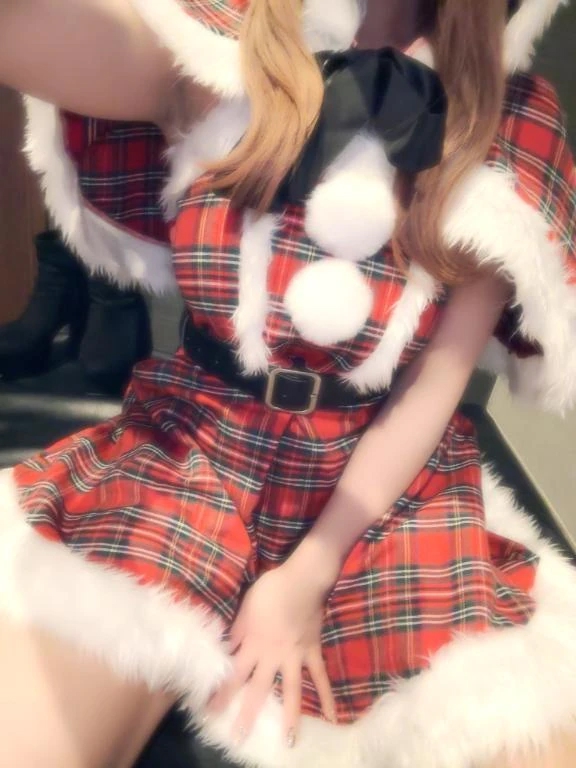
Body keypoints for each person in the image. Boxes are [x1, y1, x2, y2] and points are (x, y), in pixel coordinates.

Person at [0, 1, 574, 766]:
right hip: (190, 451)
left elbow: (432, 387)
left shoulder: (508, 117)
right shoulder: (216, 41)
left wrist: (309, 572)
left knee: (518, 730)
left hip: (383, 496)